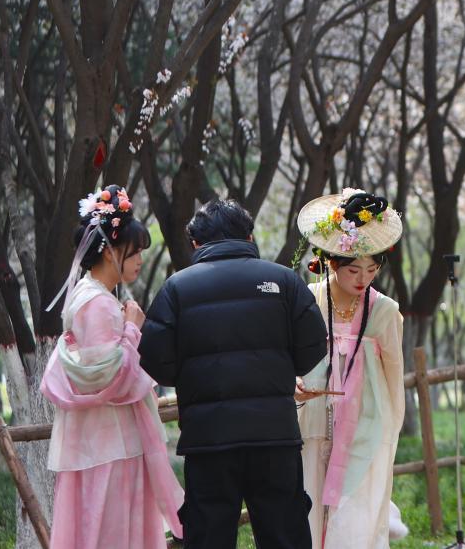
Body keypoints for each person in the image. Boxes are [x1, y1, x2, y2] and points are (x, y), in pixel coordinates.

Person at [140, 198, 328, 549]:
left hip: (208, 439)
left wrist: (192, 376)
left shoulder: (176, 288)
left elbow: (153, 360)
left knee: (209, 537)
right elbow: (314, 347)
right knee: (284, 535)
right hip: (275, 436)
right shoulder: (284, 280)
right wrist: (281, 369)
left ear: (196, 243)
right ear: (249, 236)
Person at [40, 185, 184, 549]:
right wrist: (132, 329)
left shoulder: (90, 295)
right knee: (112, 532)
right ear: (108, 251)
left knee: (97, 529)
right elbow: (109, 377)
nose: (140, 260)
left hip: (100, 440)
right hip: (111, 442)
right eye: (133, 252)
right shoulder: (99, 304)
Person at [293, 189, 407, 548]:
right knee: (309, 502)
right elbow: (292, 355)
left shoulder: (385, 310)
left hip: (365, 423)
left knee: (358, 512)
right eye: (354, 270)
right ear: (331, 262)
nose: (363, 279)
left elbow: (393, 376)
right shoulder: (309, 299)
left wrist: (389, 428)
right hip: (313, 418)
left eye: (372, 270)